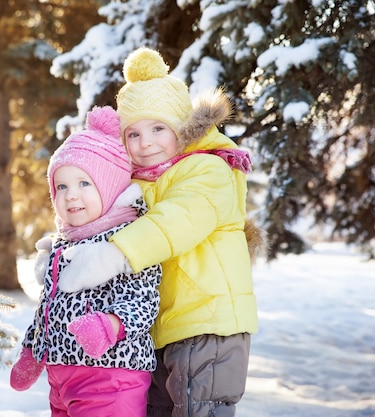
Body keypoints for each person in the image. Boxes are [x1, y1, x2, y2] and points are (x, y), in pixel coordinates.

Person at [58, 48, 268, 417]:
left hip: (208, 321)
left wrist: (115, 253)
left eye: (159, 128)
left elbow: (176, 220)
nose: (145, 143)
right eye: (133, 133)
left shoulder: (207, 169)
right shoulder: (143, 182)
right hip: (161, 329)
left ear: (183, 128)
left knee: (199, 409)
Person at [9, 105, 162, 417]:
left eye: (84, 184)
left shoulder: (125, 240)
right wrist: (32, 350)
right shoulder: (61, 246)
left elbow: (144, 300)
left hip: (111, 377)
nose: (71, 196)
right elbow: (48, 308)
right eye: (61, 186)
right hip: (61, 379)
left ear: (108, 185)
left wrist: (110, 326)